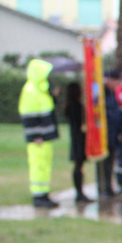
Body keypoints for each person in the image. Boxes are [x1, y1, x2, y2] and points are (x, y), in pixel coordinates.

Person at [19, 58, 60, 208]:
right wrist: (35, 136)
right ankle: (38, 196)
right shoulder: (30, 91)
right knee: (37, 165)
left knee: (45, 165)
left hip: (45, 137)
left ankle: (44, 193)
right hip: (38, 139)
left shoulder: (41, 90)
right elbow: (28, 116)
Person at [63, 80, 93, 204]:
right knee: (78, 166)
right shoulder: (75, 106)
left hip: (78, 139)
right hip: (78, 139)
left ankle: (80, 192)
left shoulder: (71, 105)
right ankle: (79, 193)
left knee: (79, 166)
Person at [99, 70, 120, 199]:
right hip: (104, 134)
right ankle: (103, 188)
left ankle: (109, 186)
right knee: (103, 162)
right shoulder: (102, 94)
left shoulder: (112, 93)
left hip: (112, 133)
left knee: (111, 161)